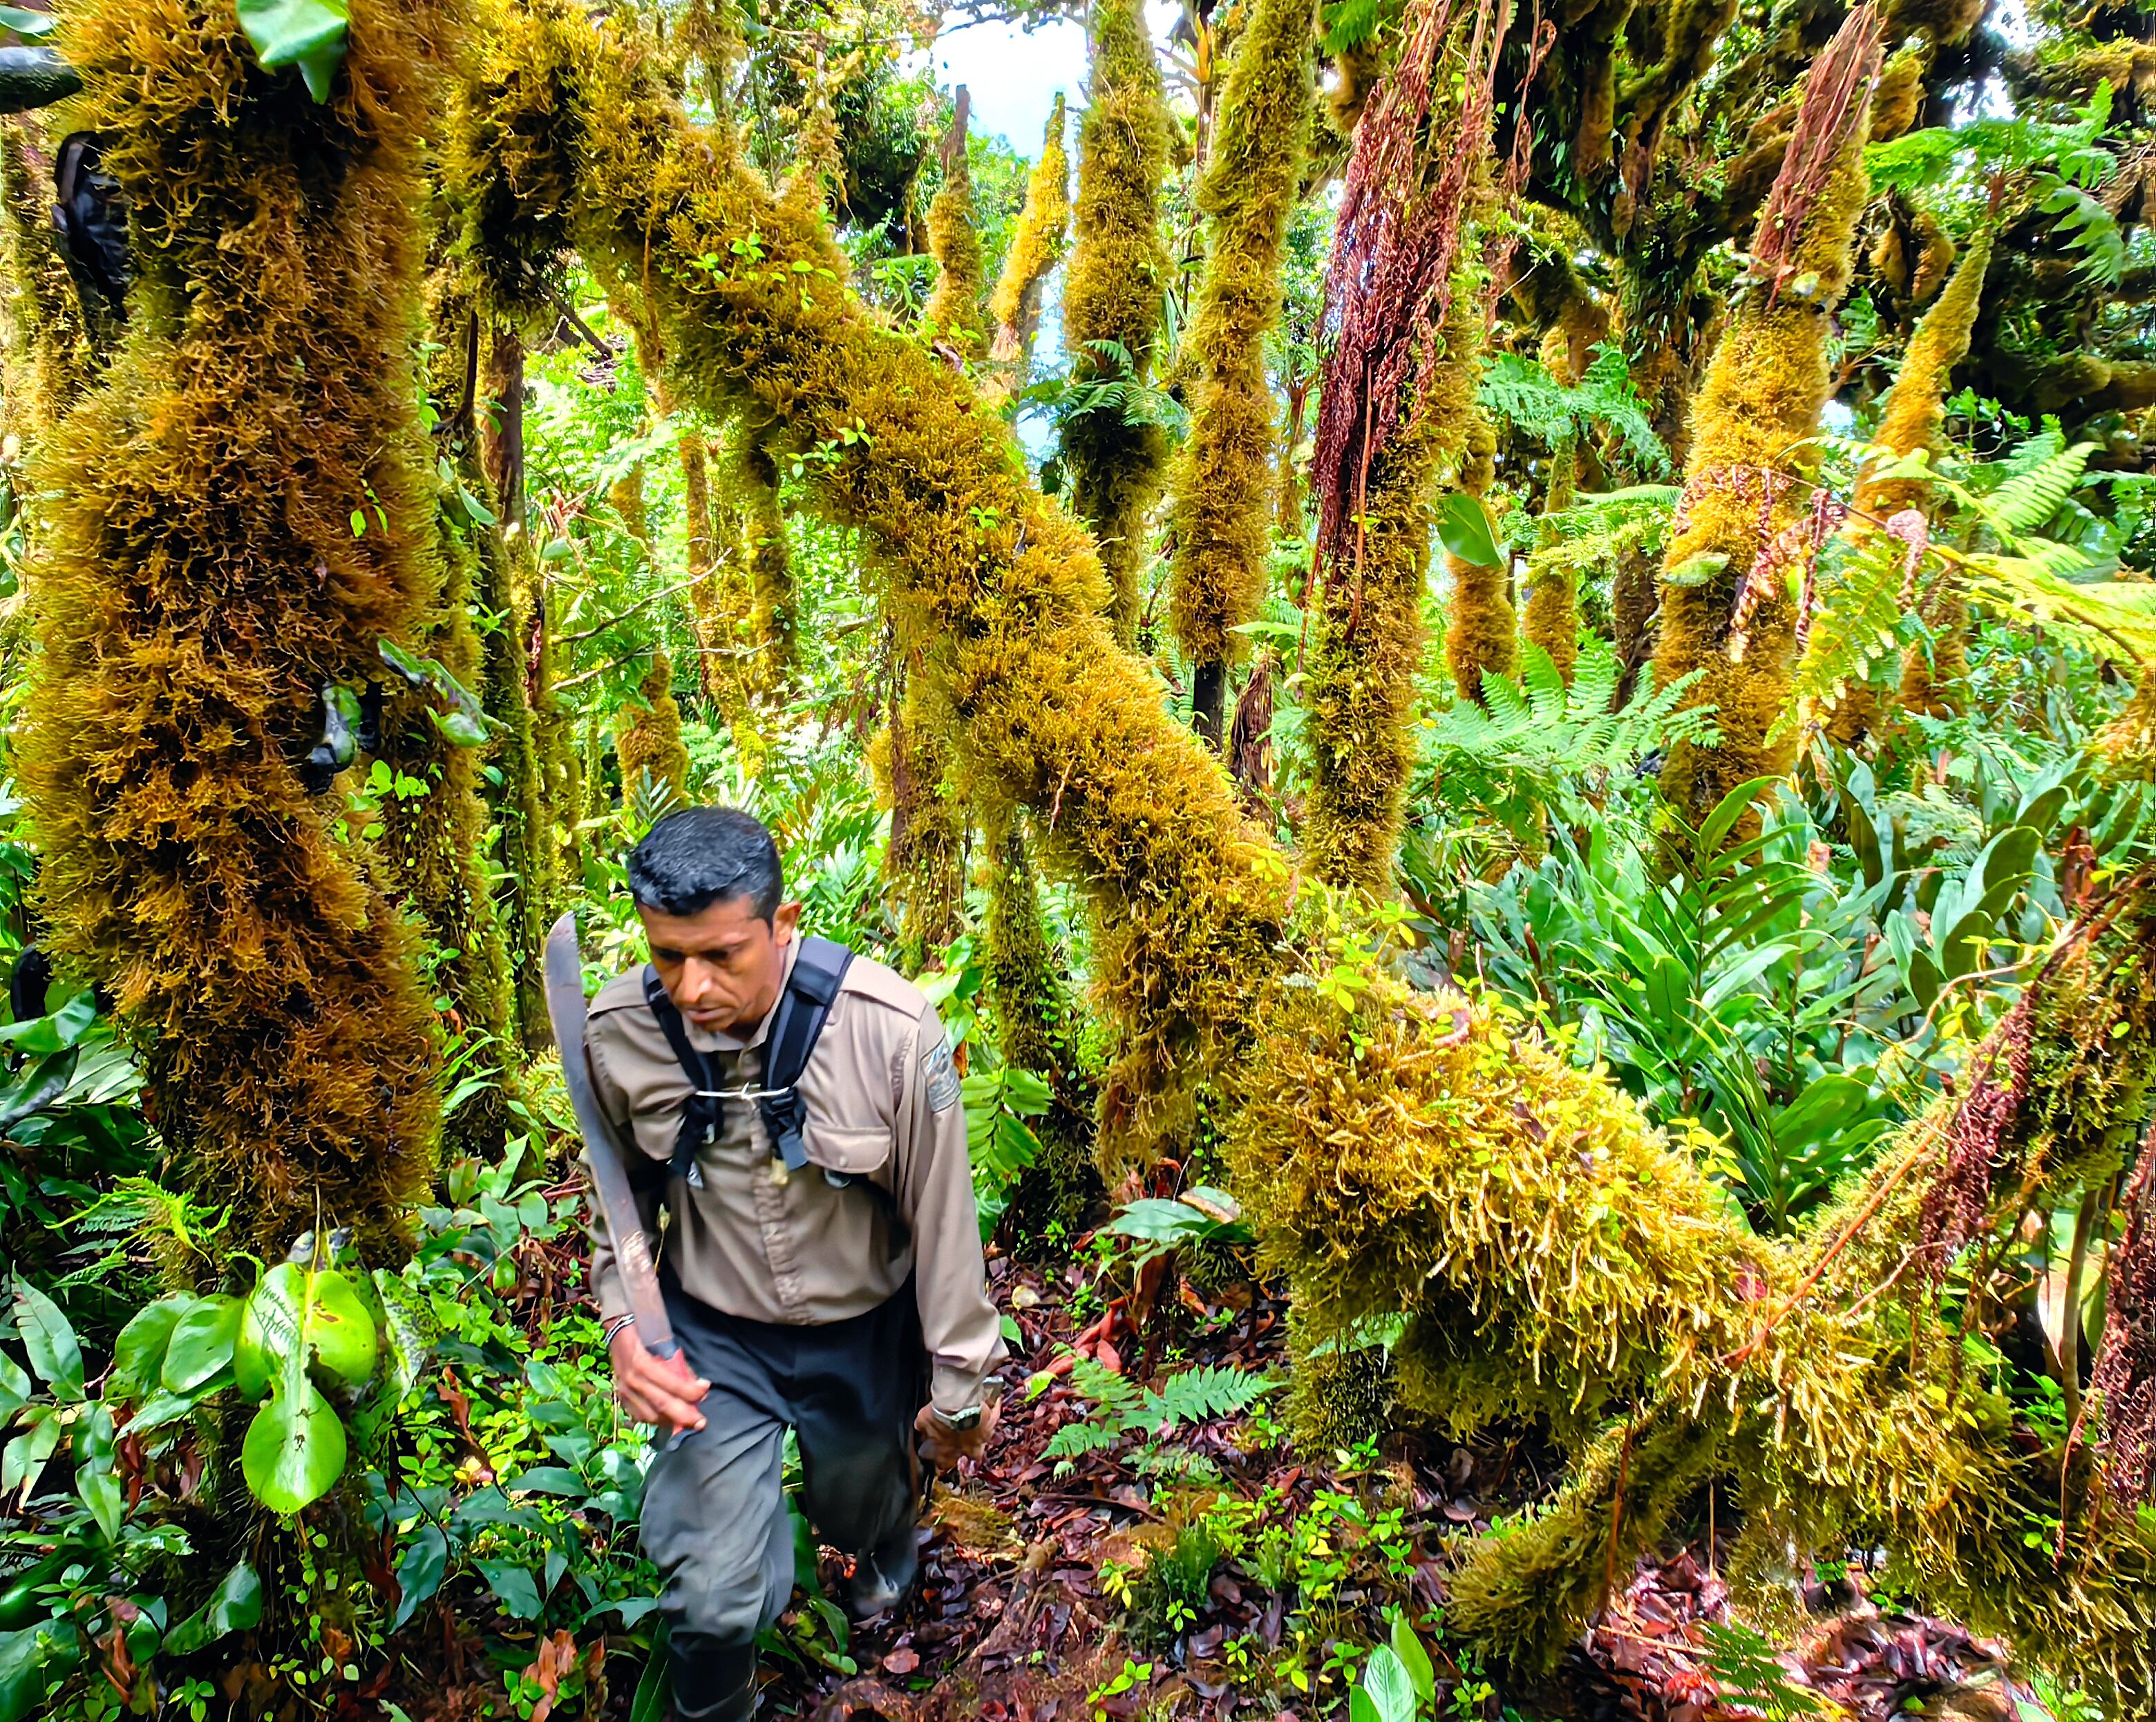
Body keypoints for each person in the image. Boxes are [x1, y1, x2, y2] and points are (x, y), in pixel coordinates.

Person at [585, 806, 1005, 1722]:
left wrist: (959, 1382)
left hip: (861, 1333)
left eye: (723, 956)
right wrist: (625, 1328)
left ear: (784, 924)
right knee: (710, 1592)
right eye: (668, 956)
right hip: (713, 1340)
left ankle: (867, 1585)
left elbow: (943, 1218)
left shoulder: (891, 1032)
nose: (693, 988)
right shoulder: (619, 1032)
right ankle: (718, 1704)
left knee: (860, 1527)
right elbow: (615, 1207)